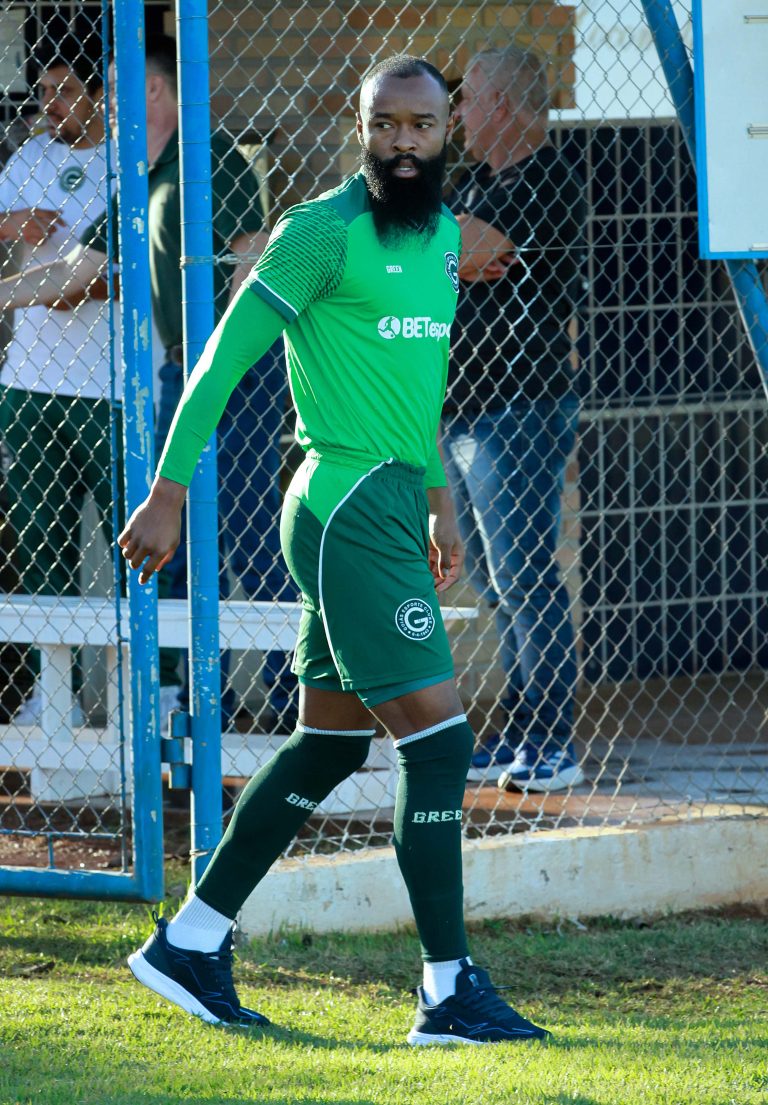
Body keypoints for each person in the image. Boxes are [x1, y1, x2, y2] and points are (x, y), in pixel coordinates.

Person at [117, 55, 550, 1046]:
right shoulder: (319, 231)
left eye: (423, 126)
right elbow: (221, 360)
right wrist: (169, 490)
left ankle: (190, 940)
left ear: (451, 133)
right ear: (360, 127)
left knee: (330, 741)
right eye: (385, 124)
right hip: (342, 504)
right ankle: (447, 991)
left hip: (396, 503)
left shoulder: (441, 236)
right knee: (439, 742)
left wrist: (441, 505)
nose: (404, 142)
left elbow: (417, 389)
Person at [0, 33, 297, 731]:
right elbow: (73, 268)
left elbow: (251, 256)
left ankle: (305, 704)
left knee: (252, 542)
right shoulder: (143, 176)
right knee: (186, 555)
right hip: (176, 383)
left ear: (154, 92)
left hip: (235, 383)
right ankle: (198, 709)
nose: (106, 104)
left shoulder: (209, 160)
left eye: (116, 89)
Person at [443, 46, 587, 793]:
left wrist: (451, 248)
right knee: (498, 585)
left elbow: (472, 246)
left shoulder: (547, 179)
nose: (458, 113)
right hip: (460, 409)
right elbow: (444, 250)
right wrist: (447, 251)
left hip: (518, 409)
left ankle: (554, 743)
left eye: (466, 99)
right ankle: (526, 728)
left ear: (500, 103)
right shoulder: (470, 183)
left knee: (526, 576)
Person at [0, 36, 116, 726]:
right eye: (44, 93)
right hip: (31, 382)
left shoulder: (131, 161)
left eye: (66, 91)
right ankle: (56, 695)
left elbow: (105, 274)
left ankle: (154, 693)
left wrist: (72, 282)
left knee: (141, 544)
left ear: (102, 92)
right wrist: (12, 220)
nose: (51, 106)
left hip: (112, 385)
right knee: (42, 545)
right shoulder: (33, 156)